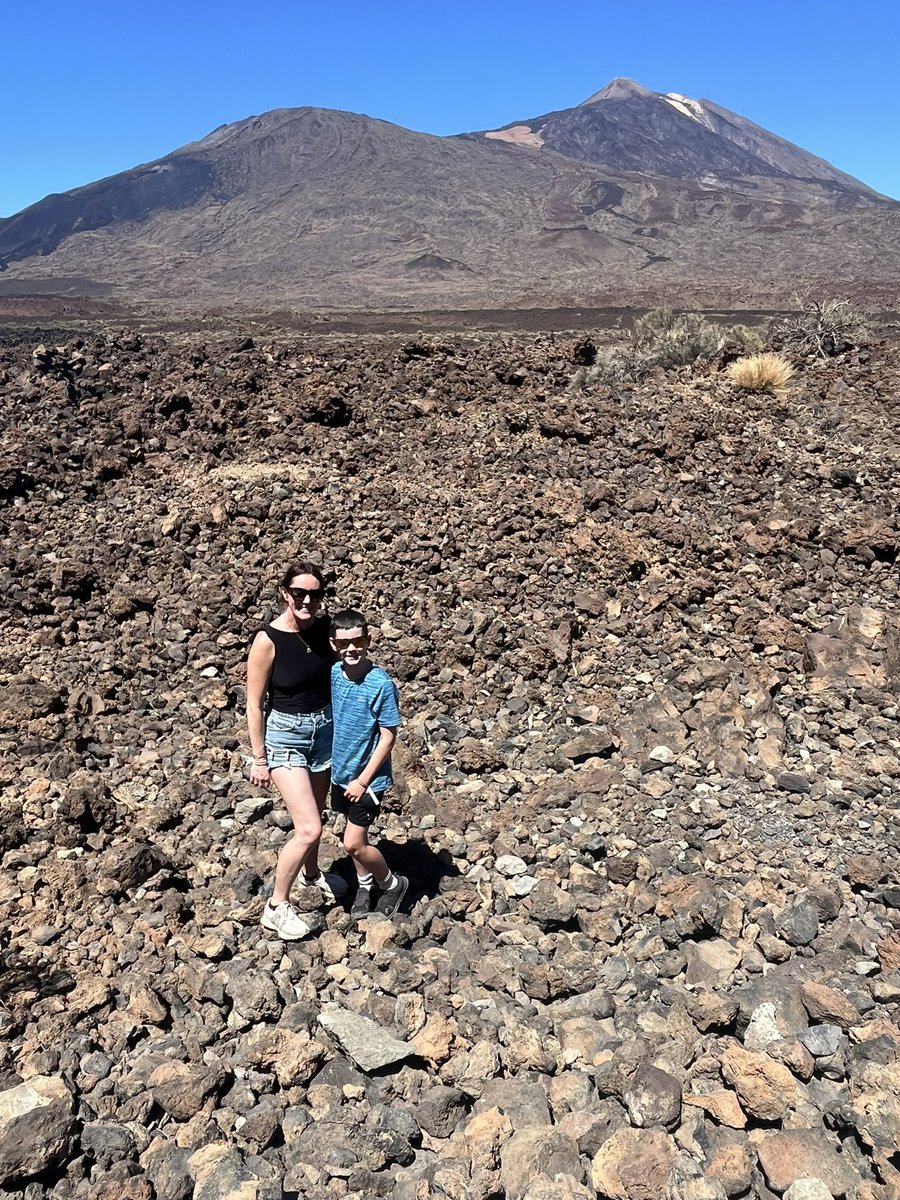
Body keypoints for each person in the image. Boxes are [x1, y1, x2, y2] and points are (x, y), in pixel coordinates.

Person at [246, 561, 348, 940]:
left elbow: (349, 663)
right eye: (299, 593)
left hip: (324, 732)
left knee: (316, 813)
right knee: (309, 828)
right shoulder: (267, 639)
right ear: (285, 593)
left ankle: (312, 873)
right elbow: (254, 703)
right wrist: (260, 758)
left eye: (315, 594)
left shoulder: (325, 629)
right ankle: (276, 906)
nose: (307, 601)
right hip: (285, 736)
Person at [329, 608, 408, 919]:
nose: (351, 649)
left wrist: (363, 780)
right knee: (356, 836)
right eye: (343, 643)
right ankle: (364, 886)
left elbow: (388, 737)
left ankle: (391, 884)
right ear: (334, 644)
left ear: (368, 640)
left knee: (352, 843)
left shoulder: (381, 685)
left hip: (368, 780)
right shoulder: (334, 674)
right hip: (341, 772)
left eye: (358, 642)